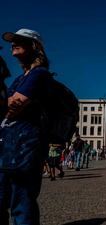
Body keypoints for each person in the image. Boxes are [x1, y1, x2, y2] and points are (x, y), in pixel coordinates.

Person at [0, 28, 52, 225]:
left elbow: (14, 106)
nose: (13, 44)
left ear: (34, 46)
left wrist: (8, 102)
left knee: (21, 203)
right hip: (7, 144)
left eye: (19, 40)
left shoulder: (39, 74)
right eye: (12, 41)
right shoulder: (19, 78)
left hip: (24, 145)